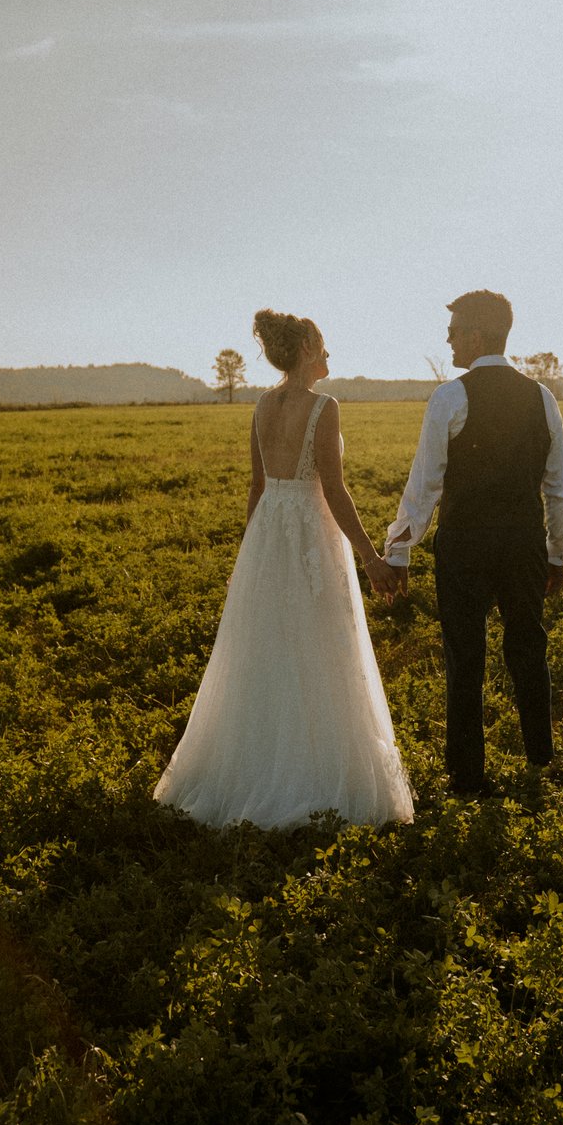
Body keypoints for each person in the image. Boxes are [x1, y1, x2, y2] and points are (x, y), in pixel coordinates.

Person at [153, 310, 416, 828]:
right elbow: (334, 490)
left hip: (269, 533)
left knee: (268, 648)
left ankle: (252, 767)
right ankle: (308, 777)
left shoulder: (261, 406)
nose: (328, 356)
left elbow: (257, 488)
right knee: (320, 646)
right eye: (322, 347)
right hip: (309, 536)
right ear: (304, 352)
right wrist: (371, 559)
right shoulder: (324, 407)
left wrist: (249, 552)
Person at [373, 290, 563, 798]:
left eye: (454, 329)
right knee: (529, 647)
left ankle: (467, 779)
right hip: (526, 546)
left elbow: (424, 486)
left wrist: (399, 552)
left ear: (476, 335)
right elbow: (560, 486)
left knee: (465, 659)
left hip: (463, 547)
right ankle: (540, 762)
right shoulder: (541, 397)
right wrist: (556, 554)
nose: (447, 338)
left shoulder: (449, 397)